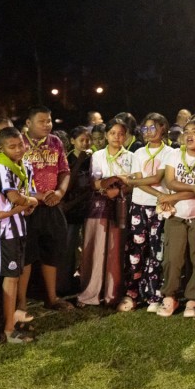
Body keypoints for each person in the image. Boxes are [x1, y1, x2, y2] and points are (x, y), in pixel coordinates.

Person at [156, 118, 195, 318]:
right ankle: (170, 296)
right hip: (177, 213)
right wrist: (192, 188)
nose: (189, 135)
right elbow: (170, 181)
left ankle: (193, 298)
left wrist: (172, 197)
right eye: (187, 131)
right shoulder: (174, 154)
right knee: (172, 257)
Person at [20, 106, 74, 312]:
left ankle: (52, 298)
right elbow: (10, 177)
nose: (47, 125)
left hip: (51, 206)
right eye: (41, 121)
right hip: (27, 208)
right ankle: (21, 302)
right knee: (26, 256)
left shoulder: (55, 142)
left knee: (52, 252)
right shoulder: (19, 143)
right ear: (28, 123)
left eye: (49, 121)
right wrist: (36, 196)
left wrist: (60, 192)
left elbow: (65, 171)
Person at [0, 127, 39, 343]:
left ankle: (12, 318)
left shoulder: (25, 165)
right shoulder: (1, 165)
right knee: (10, 278)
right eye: (12, 146)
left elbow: (27, 198)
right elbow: (14, 197)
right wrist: (29, 202)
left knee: (15, 276)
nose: (18, 149)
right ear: (1, 148)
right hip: (5, 231)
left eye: (21, 145)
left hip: (19, 226)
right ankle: (8, 330)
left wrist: (27, 203)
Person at [78, 118, 133, 308]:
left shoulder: (131, 157)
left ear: (126, 136)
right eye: (112, 133)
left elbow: (133, 182)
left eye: (121, 134)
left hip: (121, 206)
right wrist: (113, 182)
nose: (117, 137)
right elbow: (95, 182)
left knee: (115, 249)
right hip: (99, 207)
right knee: (95, 248)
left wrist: (118, 189)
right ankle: (91, 292)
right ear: (106, 135)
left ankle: (112, 293)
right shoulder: (98, 155)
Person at [124, 113, 174, 311]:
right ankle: (133, 291)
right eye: (145, 128)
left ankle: (153, 294)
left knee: (156, 251)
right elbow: (144, 181)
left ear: (163, 128)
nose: (147, 132)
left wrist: (133, 181)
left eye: (152, 128)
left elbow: (156, 177)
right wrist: (158, 193)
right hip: (139, 205)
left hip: (159, 208)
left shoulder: (170, 153)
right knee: (136, 250)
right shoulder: (138, 153)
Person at [59, 126, 92, 295]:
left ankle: (85, 283)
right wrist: (79, 161)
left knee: (88, 248)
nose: (85, 143)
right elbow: (67, 185)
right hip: (71, 212)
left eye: (88, 140)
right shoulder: (67, 159)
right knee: (69, 249)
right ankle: (64, 285)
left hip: (89, 210)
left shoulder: (93, 159)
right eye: (81, 140)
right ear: (72, 141)